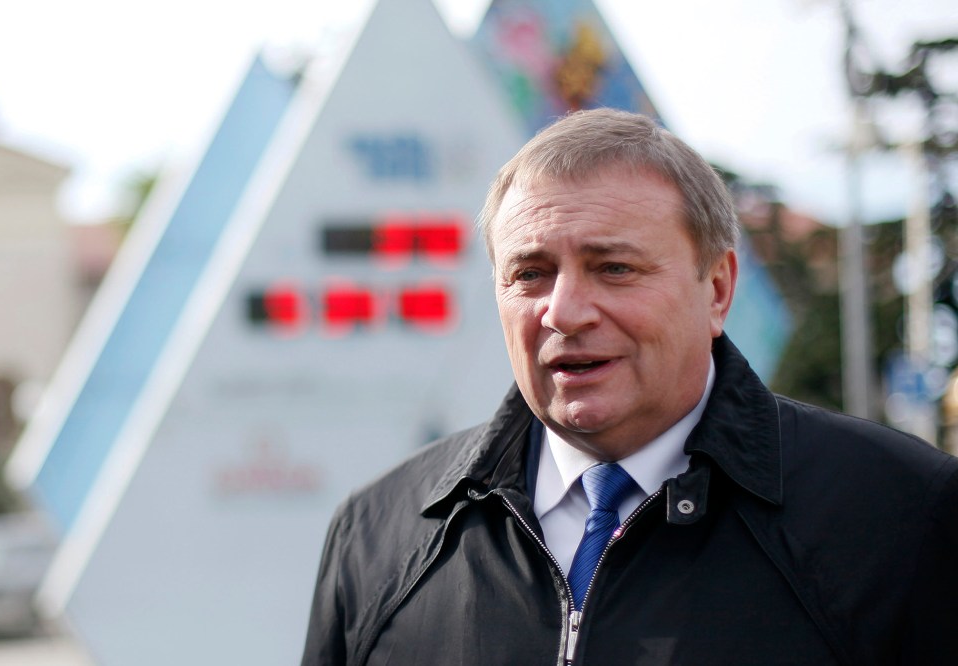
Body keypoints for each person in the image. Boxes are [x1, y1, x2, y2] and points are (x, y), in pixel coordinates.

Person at [302, 109, 958, 665]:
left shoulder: (902, 517)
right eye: (530, 273)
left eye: (613, 267)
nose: (564, 311)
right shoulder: (379, 534)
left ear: (718, 289)